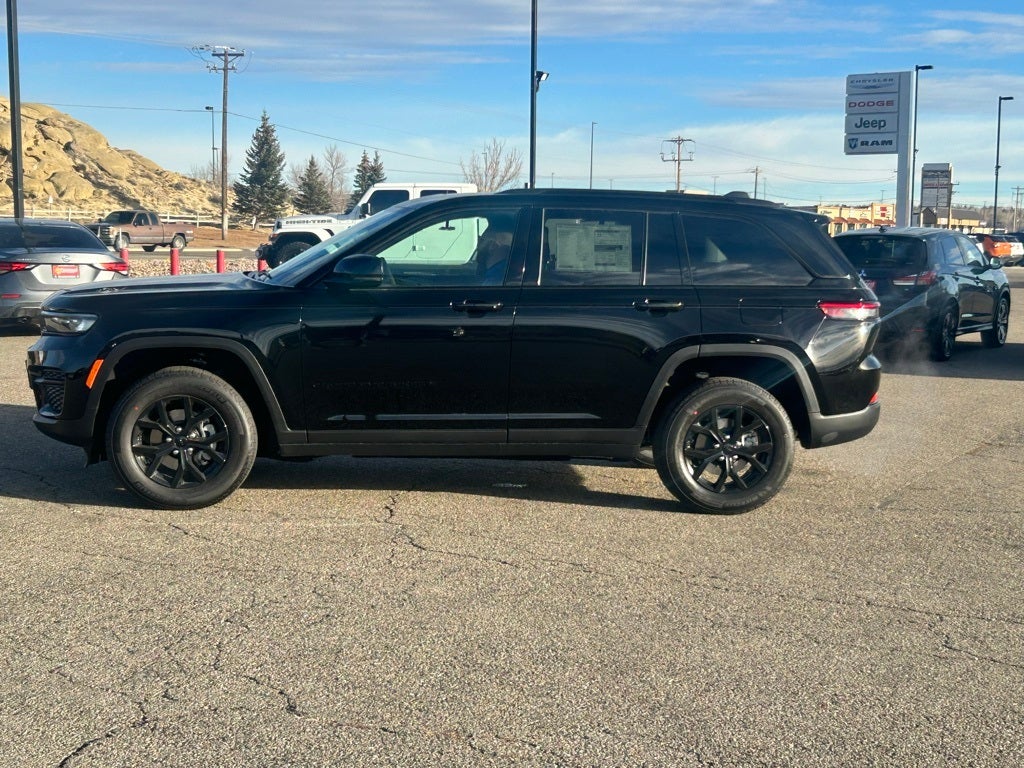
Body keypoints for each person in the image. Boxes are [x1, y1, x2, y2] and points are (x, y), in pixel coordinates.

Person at [475, 216, 515, 285]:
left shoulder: (495, 281)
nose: (477, 244)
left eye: (481, 239)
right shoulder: (508, 273)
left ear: (492, 246)